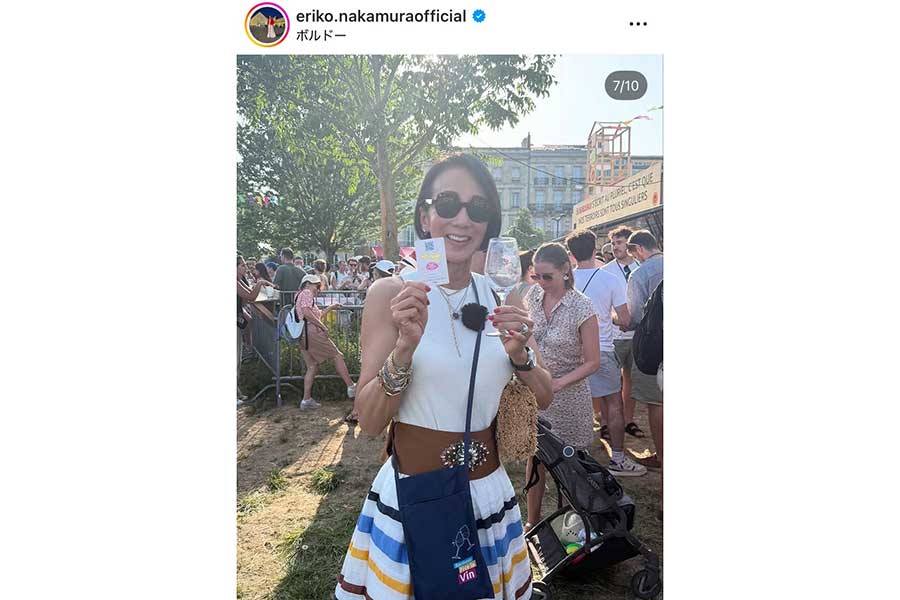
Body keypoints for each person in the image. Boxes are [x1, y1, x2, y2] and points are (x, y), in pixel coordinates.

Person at [335, 154, 553, 600]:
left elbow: (545, 395)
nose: (463, 218)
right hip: (418, 493)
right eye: (449, 202)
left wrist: (522, 356)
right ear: (424, 215)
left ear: (489, 223)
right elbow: (370, 420)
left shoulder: (503, 296)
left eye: (478, 207)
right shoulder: (392, 293)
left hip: (488, 494)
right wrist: (403, 350)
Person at [522, 242, 601, 531]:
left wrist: (559, 383)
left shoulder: (582, 306)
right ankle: (532, 521)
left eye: (548, 277)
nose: (541, 283)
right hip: (537, 394)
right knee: (535, 460)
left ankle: (570, 529)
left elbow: (593, 362)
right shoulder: (533, 295)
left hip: (569, 399)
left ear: (566, 270)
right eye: (537, 276)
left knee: (570, 469)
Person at [567, 229, 646, 476]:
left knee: (573, 405)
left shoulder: (565, 280)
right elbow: (624, 319)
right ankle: (618, 459)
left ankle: (572, 458)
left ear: (571, 255)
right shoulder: (610, 280)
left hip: (571, 352)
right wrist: (607, 317)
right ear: (595, 250)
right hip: (601, 349)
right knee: (614, 404)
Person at [618, 230, 664, 473]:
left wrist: (617, 319)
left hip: (655, 346)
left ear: (638, 249)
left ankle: (662, 456)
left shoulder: (640, 273)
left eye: (634, 253)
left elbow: (634, 317)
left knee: (657, 403)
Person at [602, 226, 646, 441]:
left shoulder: (642, 267)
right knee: (610, 382)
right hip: (614, 335)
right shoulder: (606, 271)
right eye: (613, 243)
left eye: (619, 243)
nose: (615, 247)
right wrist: (618, 319)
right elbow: (602, 304)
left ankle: (628, 420)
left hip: (637, 336)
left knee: (631, 380)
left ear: (629, 244)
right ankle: (605, 423)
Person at [293, 274, 357, 411]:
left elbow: (315, 315)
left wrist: (331, 307)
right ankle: (351, 387)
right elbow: (307, 313)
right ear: (307, 284)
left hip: (302, 334)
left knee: (312, 366)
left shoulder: (299, 295)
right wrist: (323, 327)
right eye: (317, 286)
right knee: (337, 355)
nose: (318, 289)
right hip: (312, 332)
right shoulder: (306, 293)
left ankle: (306, 400)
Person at [237, 255, 272, 404]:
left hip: (238, 320)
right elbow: (251, 296)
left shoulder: (239, 280)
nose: (246, 268)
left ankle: (237, 393)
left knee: (237, 359)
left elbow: (249, 295)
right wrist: (260, 283)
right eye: (242, 265)